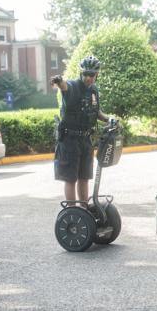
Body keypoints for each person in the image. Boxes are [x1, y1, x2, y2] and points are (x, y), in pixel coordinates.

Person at [50, 55, 113, 205]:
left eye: (92, 75)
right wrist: (59, 81)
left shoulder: (93, 90)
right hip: (69, 140)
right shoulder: (73, 86)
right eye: (86, 74)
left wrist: (108, 119)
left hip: (85, 140)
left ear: (97, 75)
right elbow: (65, 86)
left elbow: (96, 111)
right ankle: (72, 211)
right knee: (71, 179)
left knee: (84, 178)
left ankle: (84, 210)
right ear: (81, 73)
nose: (88, 78)